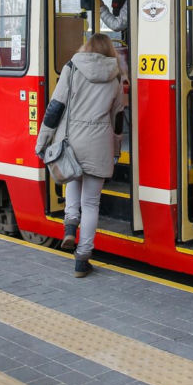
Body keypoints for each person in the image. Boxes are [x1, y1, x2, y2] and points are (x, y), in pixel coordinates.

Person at [36, 33, 125, 278]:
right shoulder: (116, 74)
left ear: (86, 47)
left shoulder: (72, 67)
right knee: (91, 203)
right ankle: (82, 257)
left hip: (72, 139)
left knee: (72, 180)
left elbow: (56, 106)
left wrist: (42, 140)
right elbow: (117, 117)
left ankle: (69, 227)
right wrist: (116, 149)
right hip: (100, 142)